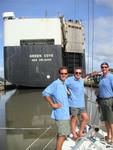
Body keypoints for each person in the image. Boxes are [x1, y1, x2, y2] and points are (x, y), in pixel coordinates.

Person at [42, 66, 71, 150]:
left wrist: (68, 93)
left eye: (65, 73)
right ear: (59, 74)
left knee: (60, 133)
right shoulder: (56, 83)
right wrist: (52, 104)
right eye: (62, 73)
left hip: (65, 113)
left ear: (67, 74)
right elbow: (45, 93)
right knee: (63, 134)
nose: (63, 75)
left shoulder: (64, 83)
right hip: (61, 114)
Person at [65, 67, 89, 140]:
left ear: (81, 74)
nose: (78, 74)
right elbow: (62, 84)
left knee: (86, 118)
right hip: (73, 103)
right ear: (74, 73)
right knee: (74, 119)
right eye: (76, 73)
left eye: (79, 73)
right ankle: (74, 134)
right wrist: (66, 90)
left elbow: (86, 77)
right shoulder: (69, 80)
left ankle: (80, 132)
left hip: (81, 104)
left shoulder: (81, 80)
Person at [96, 62, 113, 144]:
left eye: (105, 67)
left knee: (111, 121)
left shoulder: (111, 77)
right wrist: (97, 93)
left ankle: (112, 138)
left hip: (109, 101)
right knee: (106, 120)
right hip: (101, 101)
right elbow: (100, 88)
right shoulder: (101, 77)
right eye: (102, 67)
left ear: (108, 68)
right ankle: (109, 135)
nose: (104, 68)